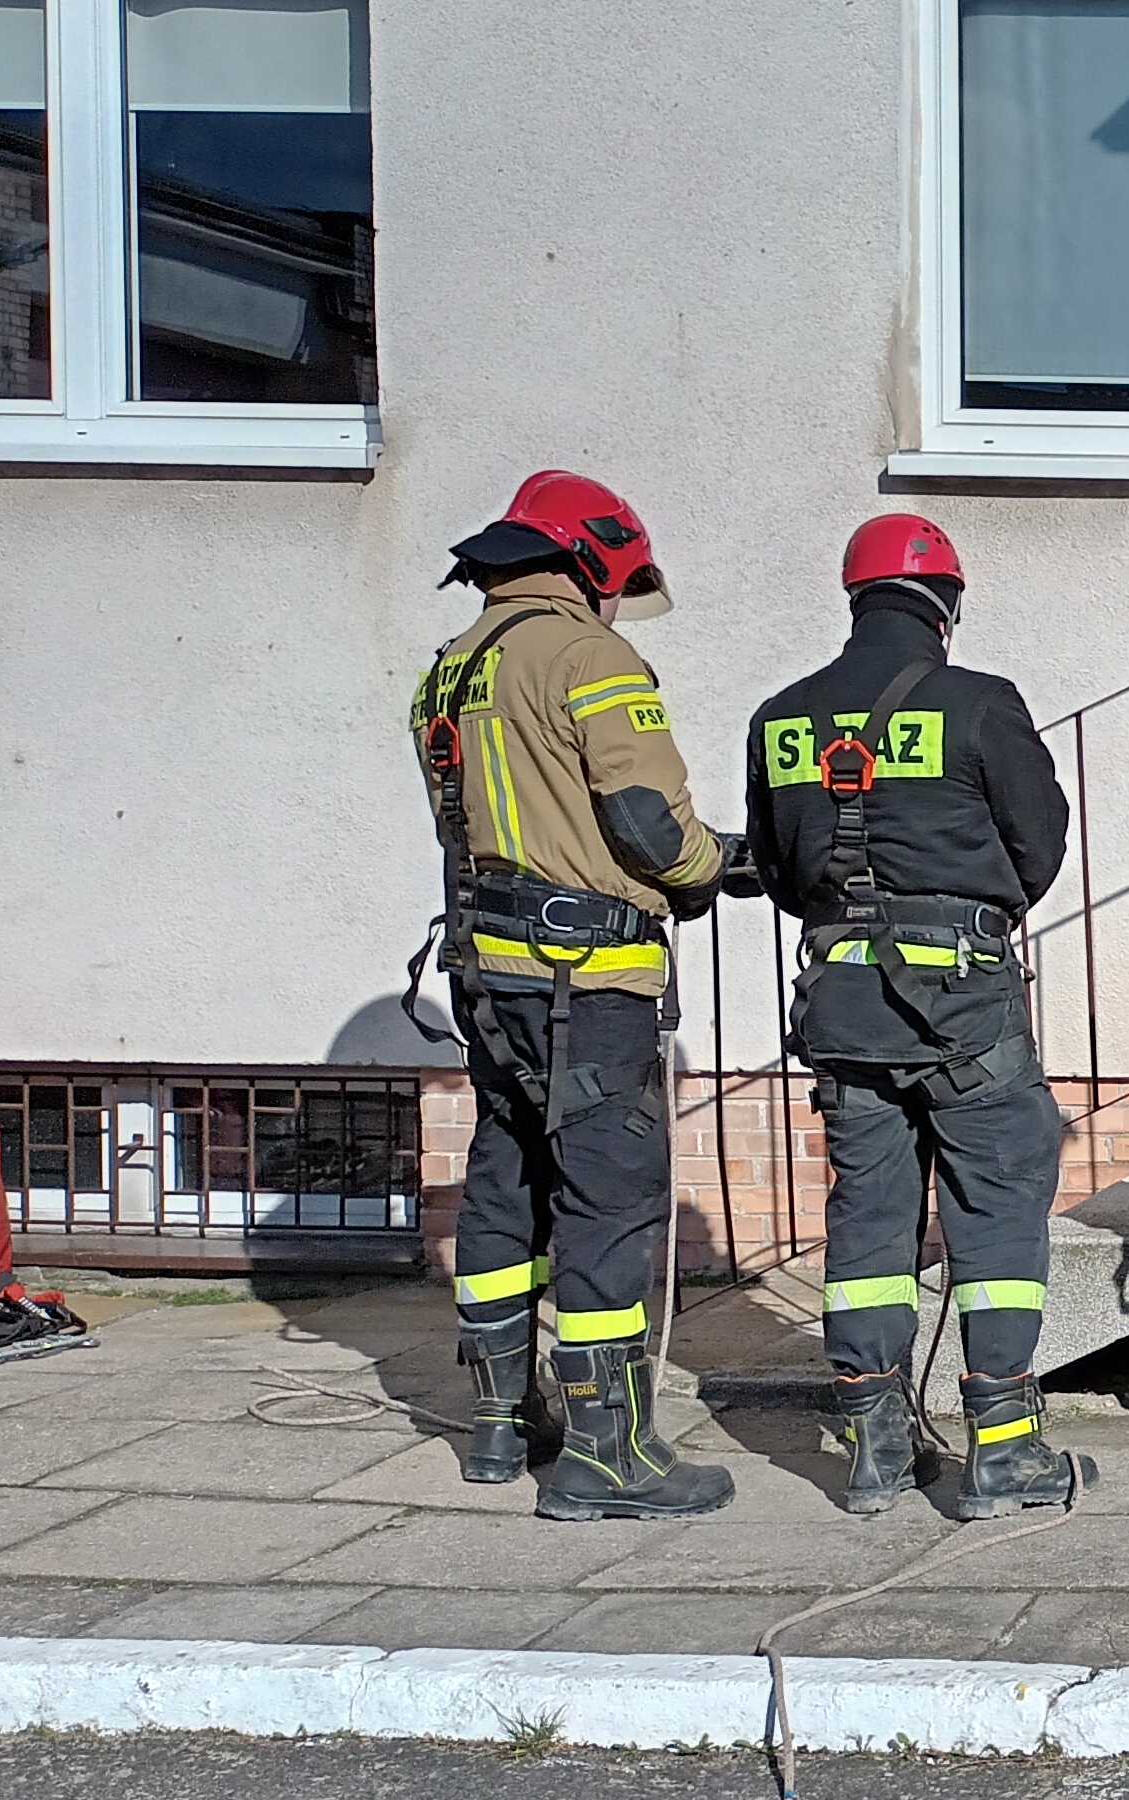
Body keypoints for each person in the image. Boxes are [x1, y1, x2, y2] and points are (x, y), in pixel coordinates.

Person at [407, 470, 744, 1522]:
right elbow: (646, 821)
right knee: (608, 1200)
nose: (617, 603)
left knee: (506, 1180)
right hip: (585, 981)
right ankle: (609, 1452)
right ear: (590, 559)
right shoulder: (587, 656)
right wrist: (712, 868)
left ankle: (501, 1422)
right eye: (616, 583)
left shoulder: (451, 668)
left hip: (487, 976)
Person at [742, 514, 1086, 1519]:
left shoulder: (781, 719)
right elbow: (1039, 845)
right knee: (997, 1210)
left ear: (857, 599)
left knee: (869, 1215)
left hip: (842, 1004)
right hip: (963, 1006)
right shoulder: (980, 703)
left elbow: (780, 871)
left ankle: (874, 1448)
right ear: (946, 606)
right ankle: (1006, 1453)